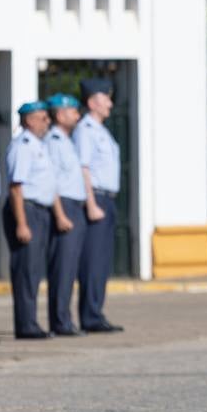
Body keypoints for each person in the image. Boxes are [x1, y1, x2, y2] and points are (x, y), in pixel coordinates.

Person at [5, 100, 58, 339]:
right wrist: (22, 222)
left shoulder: (38, 145)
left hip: (40, 211)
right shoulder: (23, 146)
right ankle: (26, 325)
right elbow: (17, 187)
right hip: (27, 210)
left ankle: (31, 322)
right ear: (29, 120)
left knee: (34, 270)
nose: (47, 121)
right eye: (42, 117)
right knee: (26, 271)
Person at [75, 78, 123, 333]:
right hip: (96, 198)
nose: (111, 104)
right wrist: (91, 203)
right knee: (93, 261)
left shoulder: (100, 130)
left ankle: (96, 311)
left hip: (107, 198)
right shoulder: (85, 130)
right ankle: (90, 315)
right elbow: (82, 168)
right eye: (106, 98)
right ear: (93, 101)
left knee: (102, 261)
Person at [44, 93, 84, 336]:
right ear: (60, 115)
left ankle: (64, 319)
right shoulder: (54, 141)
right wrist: (59, 214)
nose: (77, 116)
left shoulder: (67, 140)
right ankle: (60, 321)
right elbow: (52, 182)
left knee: (69, 269)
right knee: (62, 268)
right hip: (65, 207)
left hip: (74, 206)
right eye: (72, 111)